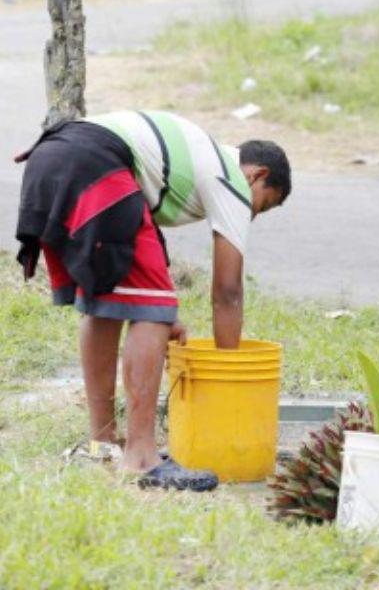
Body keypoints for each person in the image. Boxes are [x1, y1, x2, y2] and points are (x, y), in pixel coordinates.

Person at [15, 111, 291, 491]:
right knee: (154, 309)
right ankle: (142, 457)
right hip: (96, 164)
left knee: (107, 301)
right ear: (257, 176)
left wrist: (160, 311)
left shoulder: (195, 158)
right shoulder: (232, 178)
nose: (251, 216)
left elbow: (137, 222)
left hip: (51, 159)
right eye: (262, 205)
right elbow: (227, 291)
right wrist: (228, 378)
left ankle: (104, 443)